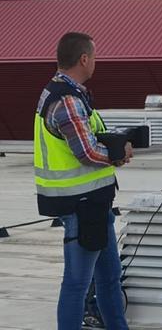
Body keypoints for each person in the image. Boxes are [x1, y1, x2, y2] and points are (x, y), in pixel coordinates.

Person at [34, 32, 131, 330]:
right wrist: (118, 155)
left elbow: (85, 137)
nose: (95, 63)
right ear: (84, 59)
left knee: (109, 278)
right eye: (95, 57)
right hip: (81, 205)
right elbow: (86, 151)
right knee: (78, 283)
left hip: (95, 203)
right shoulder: (66, 99)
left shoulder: (69, 93)